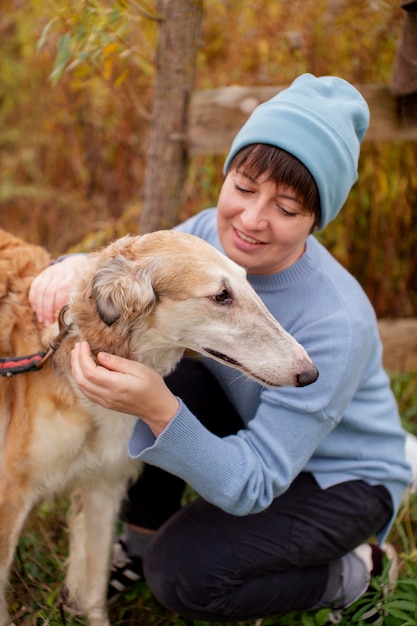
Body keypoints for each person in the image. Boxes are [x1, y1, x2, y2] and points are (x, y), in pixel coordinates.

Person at [29, 74, 412, 623]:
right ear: (227, 176)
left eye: (287, 208)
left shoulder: (334, 321)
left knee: (186, 574)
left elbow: (256, 483)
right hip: (251, 420)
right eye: (244, 186)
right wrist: (69, 268)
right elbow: (139, 264)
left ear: (314, 220)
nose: (252, 220)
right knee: (160, 358)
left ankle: (355, 570)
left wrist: (156, 410)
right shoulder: (208, 237)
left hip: (337, 479)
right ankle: (136, 544)